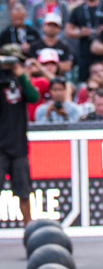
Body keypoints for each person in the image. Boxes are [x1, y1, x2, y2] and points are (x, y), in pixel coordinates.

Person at [0, 43, 39, 226]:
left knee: (24, 192)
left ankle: (29, 229)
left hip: (18, 146)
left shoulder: (22, 81)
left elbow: (33, 97)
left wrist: (21, 75)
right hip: (0, 147)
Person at [65, 0, 103, 82]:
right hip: (84, 52)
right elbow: (68, 31)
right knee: (85, 81)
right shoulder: (78, 10)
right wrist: (80, 32)